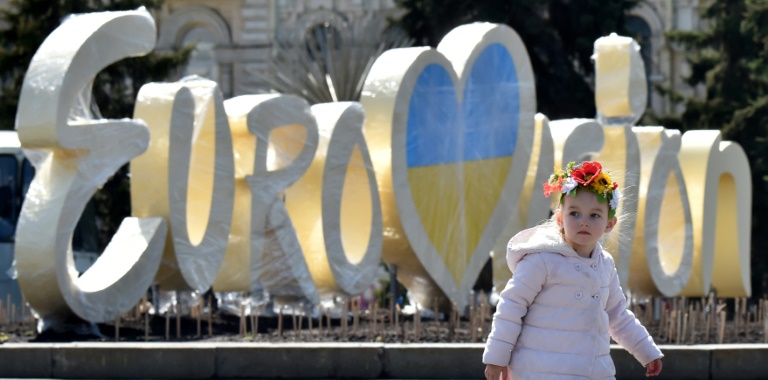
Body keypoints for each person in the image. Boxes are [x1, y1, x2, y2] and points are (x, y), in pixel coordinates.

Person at [483, 161, 663, 379]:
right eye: (574, 213)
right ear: (560, 219)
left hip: (593, 371)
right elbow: (511, 306)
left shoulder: (604, 265)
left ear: (609, 224)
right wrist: (496, 357)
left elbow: (618, 315)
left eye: (594, 215)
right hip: (540, 370)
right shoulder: (541, 259)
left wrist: (647, 351)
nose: (584, 222)